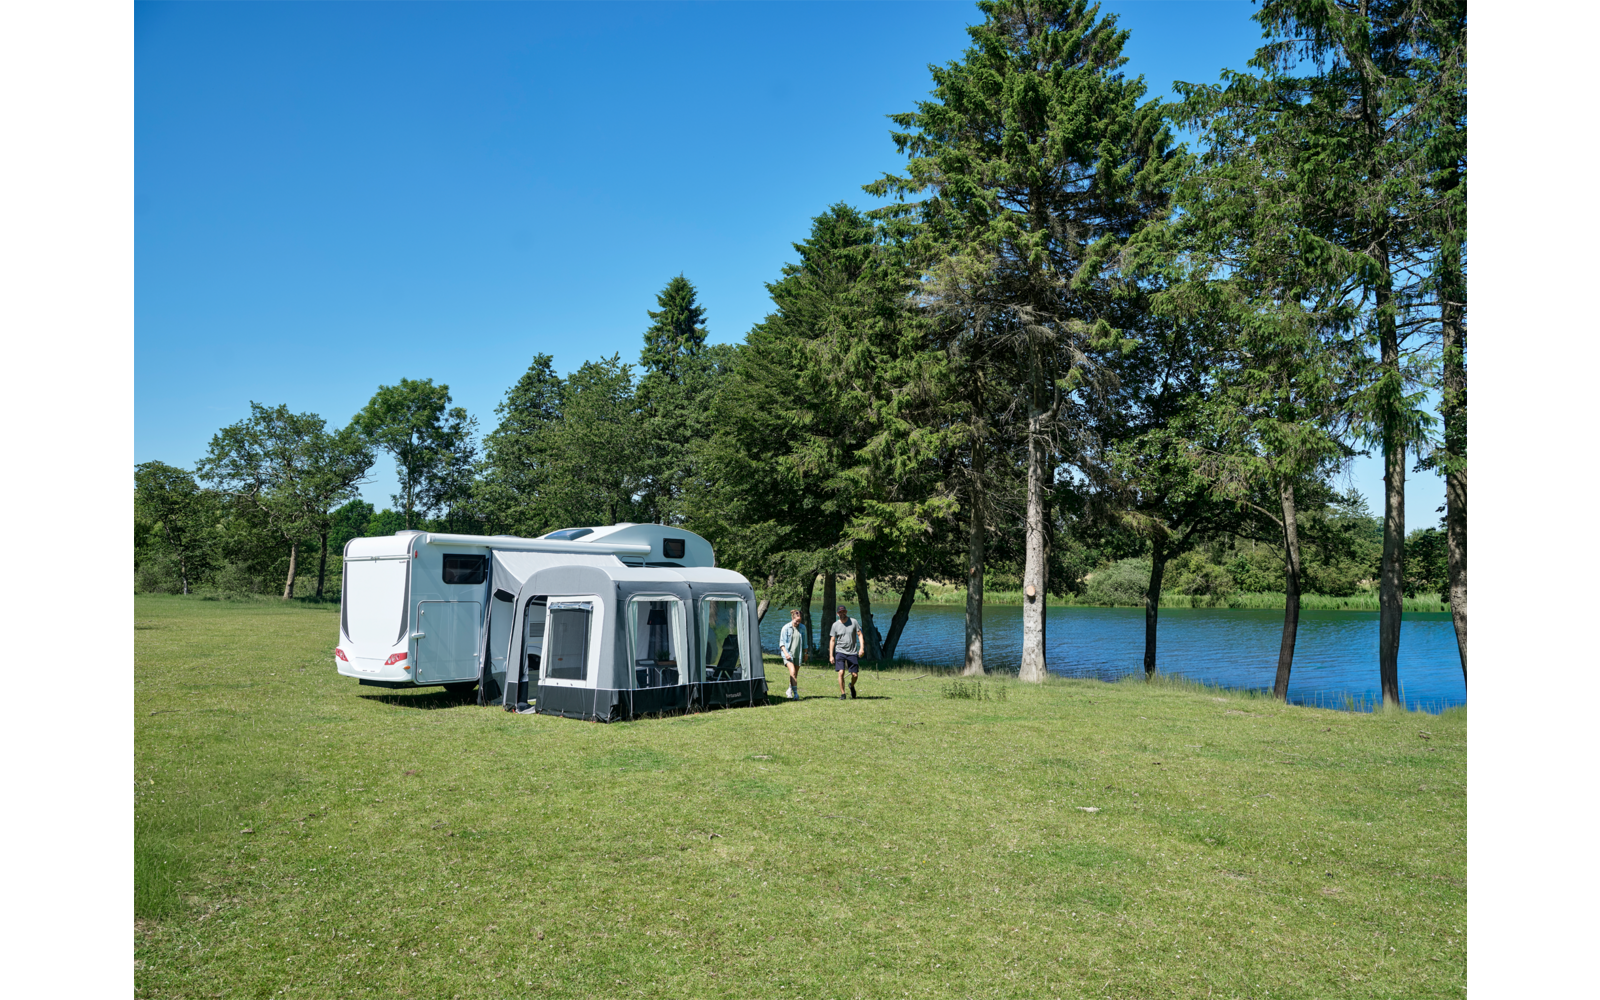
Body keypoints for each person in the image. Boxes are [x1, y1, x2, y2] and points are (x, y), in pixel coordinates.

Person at [827, 604, 863, 700]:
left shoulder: (853, 622)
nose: (842, 613)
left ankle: (851, 686)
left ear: (846, 612)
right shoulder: (835, 625)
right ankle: (843, 694)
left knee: (855, 674)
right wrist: (831, 655)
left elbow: (859, 634)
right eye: (840, 612)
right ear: (837, 614)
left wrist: (861, 648)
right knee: (841, 672)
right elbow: (832, 640)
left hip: (852, 652)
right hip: (840, 651)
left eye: (843, 611)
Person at [778, 608, 804, 700]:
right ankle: (796, 694)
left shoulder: (802, 628)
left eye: (799, 621)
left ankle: (789, 689)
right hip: (788, 654)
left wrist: (805, 653)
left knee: (794, 674)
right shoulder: (785, 628)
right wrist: (786, 654)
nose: (798, 623)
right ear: (792, 618)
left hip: (798, 654)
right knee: (792, 672)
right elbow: (781, 643)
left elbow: (805, 642)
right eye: (796, 621)